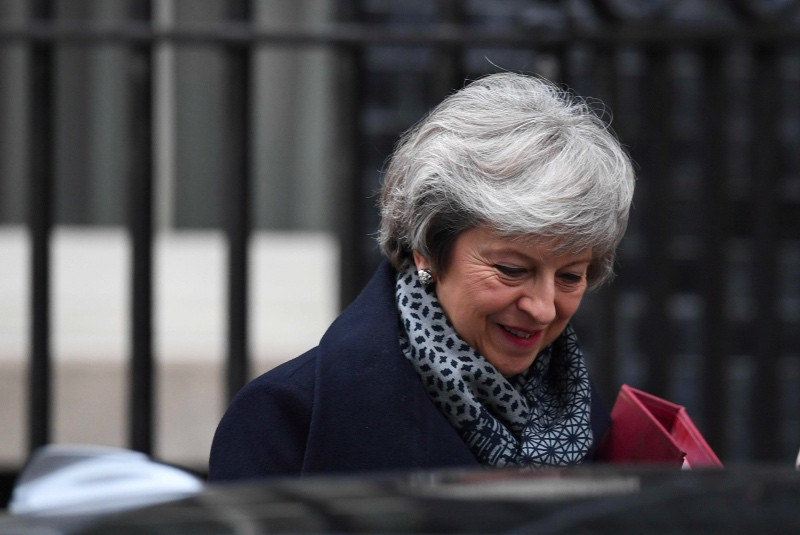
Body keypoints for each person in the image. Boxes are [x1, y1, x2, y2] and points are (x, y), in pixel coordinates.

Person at [209, 72, 636, 481]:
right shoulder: (286, 417)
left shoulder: (586, 419)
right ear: (427, 250)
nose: (542, 309)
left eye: (569, 277)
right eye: (511, 270)